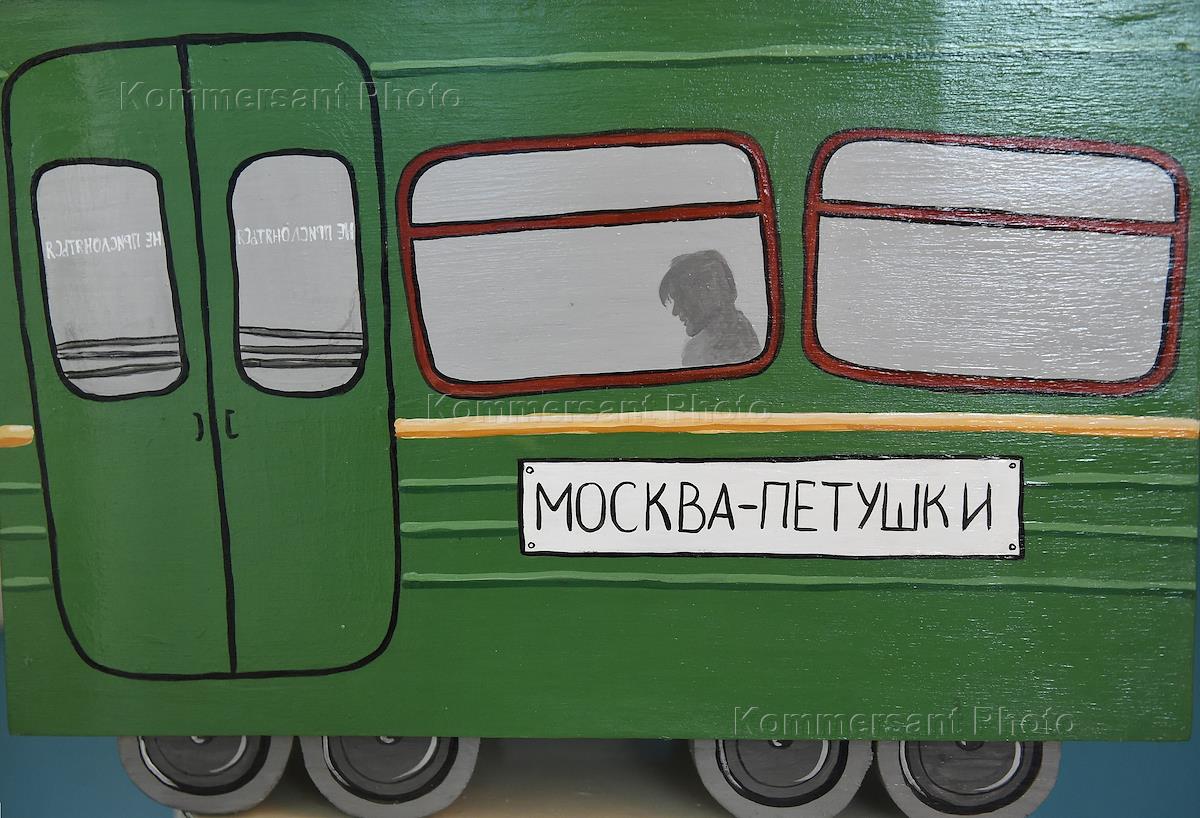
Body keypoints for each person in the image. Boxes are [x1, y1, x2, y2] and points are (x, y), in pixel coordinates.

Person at [658, 249, 760, 367]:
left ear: (708, 293)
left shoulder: (701, 353)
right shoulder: (701, 348)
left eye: (681, 299)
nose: (675, 311)